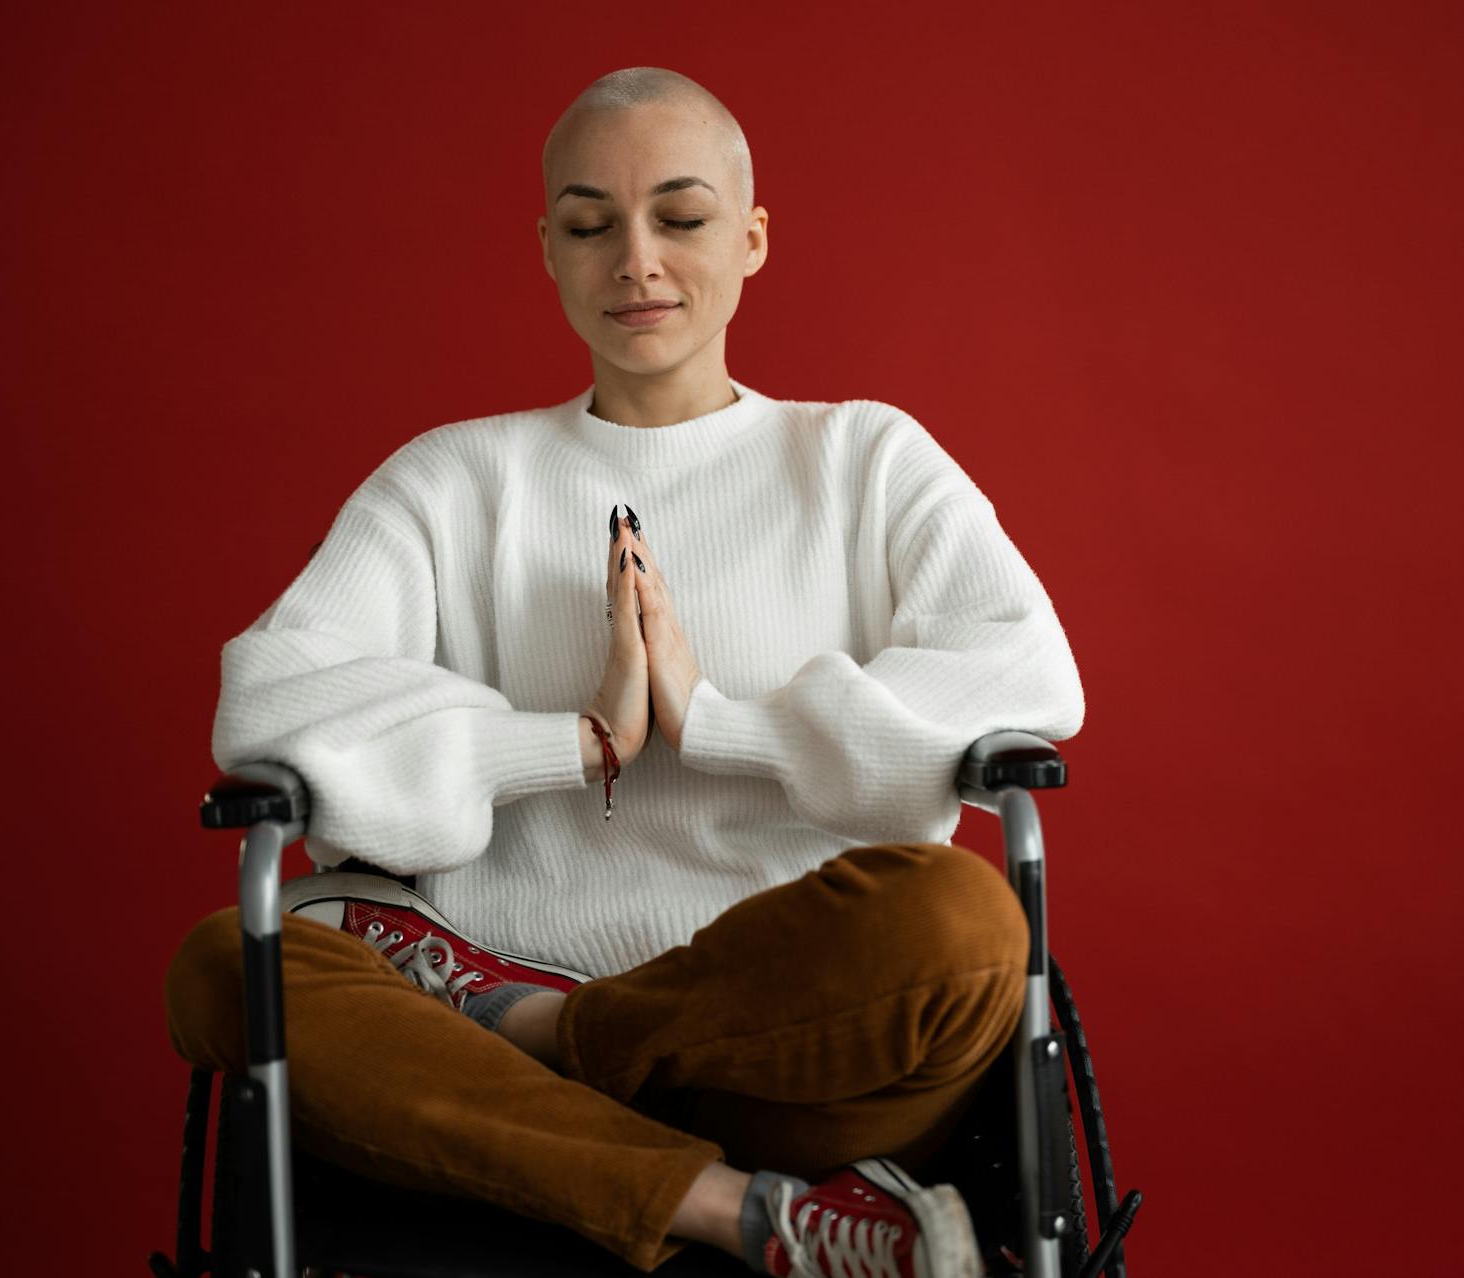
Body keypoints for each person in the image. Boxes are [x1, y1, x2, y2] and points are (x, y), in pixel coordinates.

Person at [161, 65, 1086, 1278]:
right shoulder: (452, 481)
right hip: (472, 1043)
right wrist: (573, 739)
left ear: (752, 240)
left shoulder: (864, 457)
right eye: (592, 226)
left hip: (776, 1046)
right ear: (547, 248)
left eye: (682, 219)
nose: (636, 260)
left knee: (968, 927)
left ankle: (555, 1036)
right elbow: (268, 703)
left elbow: (1028, 675)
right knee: (233, 962)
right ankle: (743, 1214)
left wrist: (720, 721)